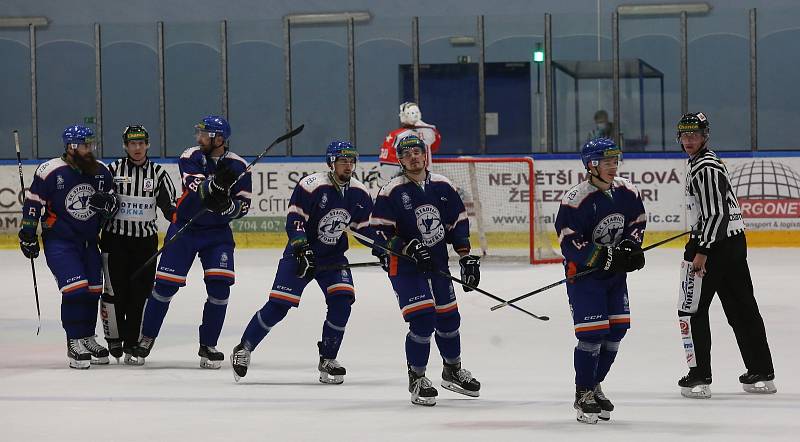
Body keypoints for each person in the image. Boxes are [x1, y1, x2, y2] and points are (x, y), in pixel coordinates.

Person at [230, 141, 373, 384]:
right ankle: (244, 347)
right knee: (279, 305)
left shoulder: (359, 192)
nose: (348, 165)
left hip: (333, 257)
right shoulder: (312, 186)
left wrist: (385, 248)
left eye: (351, 161)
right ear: (331, 162)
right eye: (343, 160)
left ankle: (328, 359)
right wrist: (302, 248)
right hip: (301, 253)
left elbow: (366, 230)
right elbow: (295, 219)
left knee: (342, 302)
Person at [132, 115, 252, 368]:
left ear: (219, 138)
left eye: (203, 134)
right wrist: (216, 185)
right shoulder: (191, 155)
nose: (198, 138)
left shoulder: (240, 166)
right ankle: (146, 339)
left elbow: (243, 206)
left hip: (217, 234)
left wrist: (228, 205)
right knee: (164, 287)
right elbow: (195, 185)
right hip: (185, 229)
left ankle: (208, 345)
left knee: (220, 290)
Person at [370, 135, 481, 406]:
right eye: (407, 154)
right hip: (405, 268)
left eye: (418, 152)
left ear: (425, 154)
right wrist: (406, 248)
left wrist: (465, 258)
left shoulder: (443, 186)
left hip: (438, 265)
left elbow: (457, 224)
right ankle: (417, 377)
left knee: (449, 319)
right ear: (400, 160)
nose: (414, 157)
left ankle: (452, 370)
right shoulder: (391, 190)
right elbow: (379, 232)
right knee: (422, 319)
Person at [676, 112, 776, 398]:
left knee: (691, 310)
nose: (688, 140)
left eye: (694, 134)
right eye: (684, 135)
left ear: (705, 135)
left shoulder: (704, 167)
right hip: (732, 244)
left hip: (715, 247)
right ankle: (761, 373)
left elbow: (715, 214)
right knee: (742, 309)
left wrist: (702, 251)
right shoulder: (709, 162)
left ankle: (699, 376)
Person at [554, 137, 646, 423]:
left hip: (615, 276)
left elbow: (638, 221)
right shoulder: (575, 199)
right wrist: (603, 257)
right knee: (592, 334)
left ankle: (594, 384)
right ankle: (583, 393)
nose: (612, 166)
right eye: (606, 162)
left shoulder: (627, 191)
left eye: (614, 161)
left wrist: (631, 247)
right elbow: (569, 241)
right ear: (591, 165)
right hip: (585, 276)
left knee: (617, 330)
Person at [19, 124, 119, 369]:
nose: (90, 149)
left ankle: (86, 336)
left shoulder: (100, 171)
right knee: (75, 290)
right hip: (60, 241)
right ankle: (74, 340)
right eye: (86, 145)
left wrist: (107, 204)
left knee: (93, 291)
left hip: (89, 242)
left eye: (91, 144)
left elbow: (113, 203)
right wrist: (28, 233)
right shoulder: (50, 171)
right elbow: (34, 203)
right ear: (71, 146)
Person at [100, 125, 177, 364]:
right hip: (115, 241)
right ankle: (113, 338)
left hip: (145, 244)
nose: (137, 148)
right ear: (125, 145)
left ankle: (133, 342)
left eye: (141, 143)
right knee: (114, 292)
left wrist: (181, 222)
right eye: (132, 144)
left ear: (147, 144)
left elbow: (170, 208)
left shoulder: (159, 174)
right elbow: (100, 203)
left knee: (141, 294)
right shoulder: (112, 171)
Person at [378, 102, 441, 186]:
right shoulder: (431, 132)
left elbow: (387, 164)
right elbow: (435, 147)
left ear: (404, 116)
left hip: (407, 182)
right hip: (427, 181)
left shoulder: (397, 136)